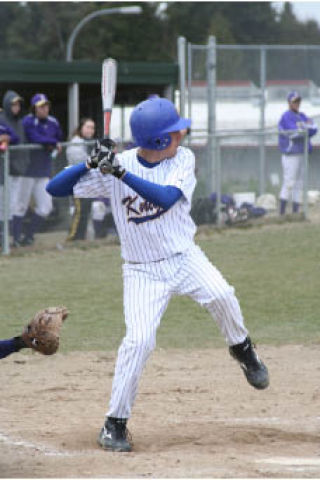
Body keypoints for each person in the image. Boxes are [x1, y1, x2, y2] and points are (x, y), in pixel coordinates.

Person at [46, 97, 269, 453]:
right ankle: (114, 424)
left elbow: (165, 198)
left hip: (185, 257)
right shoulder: (117, 165)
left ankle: (243, 351)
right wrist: (89, 162)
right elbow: (54, 189)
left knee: (223, 295)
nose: (181, 134)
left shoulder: (182, 159)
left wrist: (119, 173)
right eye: (173, 132)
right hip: (141, 271)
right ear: (158, 141)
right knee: (139, 341)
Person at [12, 93, 63, 246]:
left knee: (46, 207)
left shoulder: (53, 121)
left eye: (46, 105)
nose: (44, 109)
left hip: (43, 171)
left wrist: (50, 142)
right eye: (41, 106)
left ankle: (28, 235)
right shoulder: (27, 121)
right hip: (26, 171)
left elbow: (58, 135)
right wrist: (50, 141)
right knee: (20, 206)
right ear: (34, 108)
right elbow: (35, 138)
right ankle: (15, 239)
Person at [278, 91, 318, 215]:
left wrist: (304, 128)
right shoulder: (286, 116)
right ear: (289, 103)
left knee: (299, 183)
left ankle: (295, 212)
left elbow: (314, 128)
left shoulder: (302, 115)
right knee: (289, 182)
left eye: (298, 101)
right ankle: (282, 212)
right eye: (294, 101)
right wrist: (305, 128)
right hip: (291, 154)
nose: (297, 104)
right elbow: (294, 134)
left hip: (302, 153)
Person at [0, 91, 30, 247]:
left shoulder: (20, 122)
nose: (16, 107)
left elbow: (17, 139)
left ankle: (10, 239)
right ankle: (4, 240)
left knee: (12, 205)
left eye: (18, 104)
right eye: (13, 104)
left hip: (17, 169)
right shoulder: (2, 119)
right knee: (3, 205)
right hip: (4, 170)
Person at [66, 117, 96, 241]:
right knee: (79, 210)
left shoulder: (90, 143)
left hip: (89, 182)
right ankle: (73, 236)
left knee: (86, 210)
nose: (90, 130)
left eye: (92, 128)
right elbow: (82, 162)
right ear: (81, 128)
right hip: (77, 181)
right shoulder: (76, 142)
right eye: (87, 127)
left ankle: (81, 237)